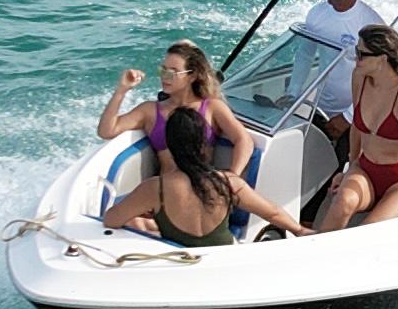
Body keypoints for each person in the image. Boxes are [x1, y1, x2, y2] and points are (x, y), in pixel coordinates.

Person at [103, 104, 304, 246]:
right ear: (203, 145)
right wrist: (301, 231)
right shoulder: (228, 183)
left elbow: (111, 220)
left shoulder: (155, 188)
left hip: (178, 260)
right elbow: (272, 213)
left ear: (170, 146)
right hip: (222, 258)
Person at [315, 24, 398, 234]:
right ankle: (313, 258)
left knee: (368, 231)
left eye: (361, 54)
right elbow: (357, 128)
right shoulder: (360, 77)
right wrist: (349, 169)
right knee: (343, 202)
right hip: (366, 168)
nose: (356, 59)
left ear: (382, 58)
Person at [98, 39, 254, 178]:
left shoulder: (212, 107)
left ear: (192, 76)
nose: (165, 77)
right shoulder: (150, 111)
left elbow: (243, 140)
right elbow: (107, 131)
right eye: (163, 70)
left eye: (173, 72)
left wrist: (233, 176)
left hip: (202, 189)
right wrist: (121, 90)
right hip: (164, 192)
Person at [289, 0, 373, 147]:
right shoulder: (317, 14)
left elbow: (378, 80)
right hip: (319, 108)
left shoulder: (370, 25)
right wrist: (293, 93)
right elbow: (305, 55)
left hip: (358, 114)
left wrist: (349, 116)